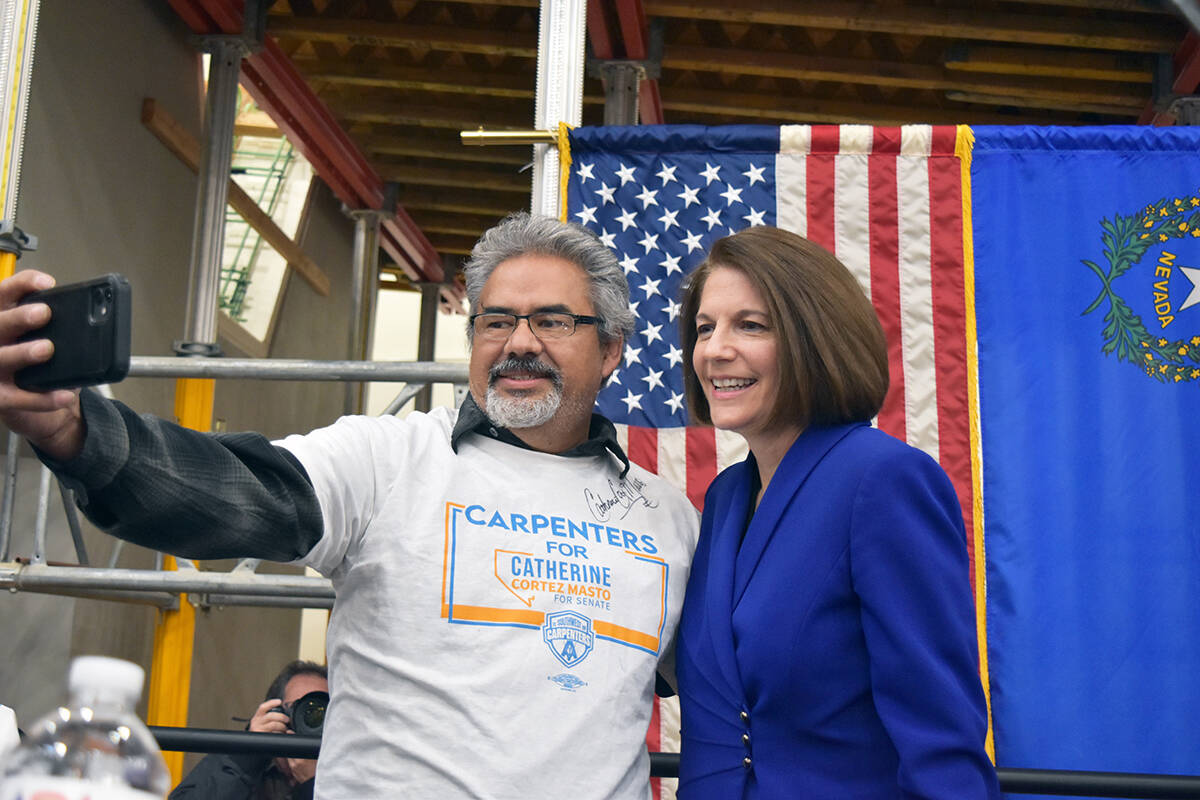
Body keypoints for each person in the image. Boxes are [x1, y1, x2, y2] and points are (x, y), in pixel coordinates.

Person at [0, 212, 700, 799]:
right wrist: (82, 434)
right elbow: (233, 491)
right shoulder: (389, 459)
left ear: (610, 350)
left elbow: (752, 684)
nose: (519, 343)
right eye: (495, 321)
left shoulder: (668, 520)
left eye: (551, 321)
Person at [674, 226, 1000, 798]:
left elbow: (940, 731)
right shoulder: (725, 498)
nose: (715, 349)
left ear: (813, 339)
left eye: (750, 325)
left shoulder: (883, 480)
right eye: (705, 328)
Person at [169, 660, 328, 800]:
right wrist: (248, 755)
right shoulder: (238, 760)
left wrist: (313, 784)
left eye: (322, 712)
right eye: (297, 707)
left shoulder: (345, 770)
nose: (309, 720)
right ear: (275, 712)